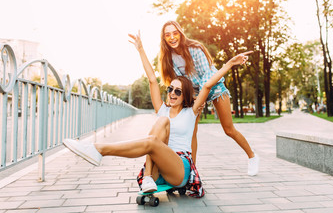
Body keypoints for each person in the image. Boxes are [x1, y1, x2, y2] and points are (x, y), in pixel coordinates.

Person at [62, 32, 249, 198]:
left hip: (180, 169)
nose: (172, 94)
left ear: (185, 95)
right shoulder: (163, 110)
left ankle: (98, 149)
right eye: (170, 89)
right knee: (160, 123)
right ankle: (148, 178)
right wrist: (140, 49)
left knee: (152, 141)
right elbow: (152, 79)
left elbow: (207, 85)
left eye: (178, 91)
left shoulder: (191, 112)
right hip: (161, 165)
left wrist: (230, 64)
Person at [158, 20, 259, 176]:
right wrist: (172, 97)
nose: (172, 37)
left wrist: (201, 96)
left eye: (175, 33)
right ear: (164, 38)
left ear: (180, 33)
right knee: (191, 130)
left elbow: (206, 76)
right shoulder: (168, 57)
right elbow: (176, 82)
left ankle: (252, 156)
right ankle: (192, 170)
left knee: (229, 130)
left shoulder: (195, 49)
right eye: (167, 34)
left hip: (214, 86)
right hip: (195, 92)